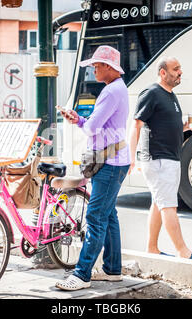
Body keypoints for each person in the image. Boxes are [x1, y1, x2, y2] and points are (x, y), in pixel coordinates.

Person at [55, 46, 131, 291]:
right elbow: (92, 125)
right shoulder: (118, 89)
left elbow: (92, 128)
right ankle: (112, 270)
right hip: (115, 159)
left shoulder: (110, 92)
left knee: (96, 217)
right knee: (109, 215)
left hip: (108, 162)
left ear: (110, 67)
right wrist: (77, 119)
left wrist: (81, 122)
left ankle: (82, 274)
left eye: (97, 65)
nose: (93, 69)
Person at [128, 56, 192, 261]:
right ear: (162, 73)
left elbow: (165, 126)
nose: (180, 72)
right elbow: (136, 125)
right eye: (175, 69)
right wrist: (131, 157)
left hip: (169, 158)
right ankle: (184, 252)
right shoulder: (151, 93)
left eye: (180, 68)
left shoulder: (170, 95)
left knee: (159, 203)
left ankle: (152, 248)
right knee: (168, 206)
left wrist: (186, 127)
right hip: (158, 159)